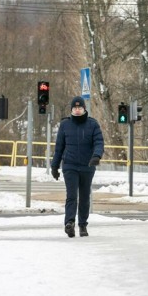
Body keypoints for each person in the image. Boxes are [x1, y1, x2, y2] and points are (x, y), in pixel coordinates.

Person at [51, 96, 105, 238]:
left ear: (84, 109)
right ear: (71, 110)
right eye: (74, 108)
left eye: (79, 107)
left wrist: (96, 156)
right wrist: (54, 166)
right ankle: (69, 223)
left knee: (85, 196)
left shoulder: (93, 124)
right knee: (72, 195)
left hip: (87, 166)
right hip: (70, 165)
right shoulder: (65, 125)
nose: (77, 110)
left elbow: (99, 142)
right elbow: (59, 148)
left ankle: (82, 225)